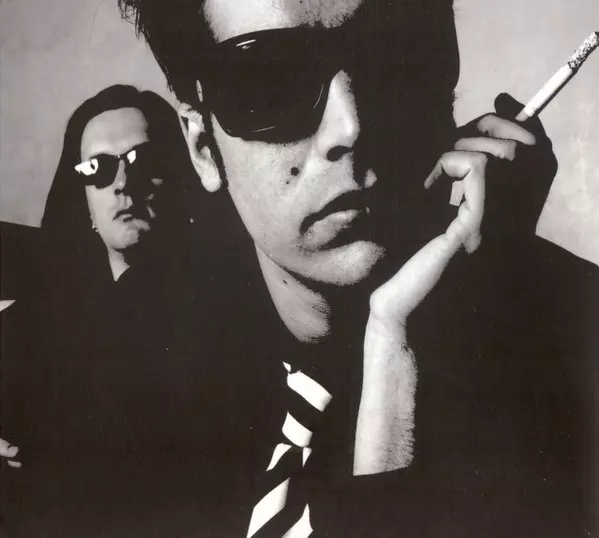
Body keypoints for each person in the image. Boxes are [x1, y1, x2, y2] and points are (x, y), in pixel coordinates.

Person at [122, 0, 593, 535]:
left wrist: (429, 338)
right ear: (204, 147)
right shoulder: (127, 366)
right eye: (270, 79)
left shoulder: (579, 342)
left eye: (395, 58)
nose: (352, 125)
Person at [0, 85, 218, 536]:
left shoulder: (228, 313)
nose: (122, 182)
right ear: (84, 201)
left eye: (143, 160)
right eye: (97, 169)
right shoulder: (39, 319)